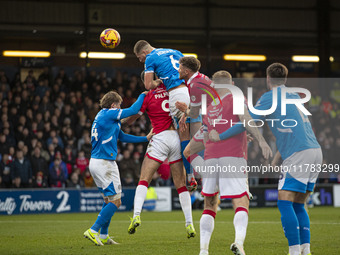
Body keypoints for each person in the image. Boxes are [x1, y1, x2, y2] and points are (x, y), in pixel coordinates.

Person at [212, 63, 322, 255]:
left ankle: (294, 251)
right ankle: (305, 249)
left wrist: (220, 136)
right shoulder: (295, 96)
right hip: (314, 150)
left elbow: (248, 121)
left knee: (284, 201)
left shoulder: (269, 97)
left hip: (299, 153)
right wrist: (276, 159)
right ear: (286, 79)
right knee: (299, 203)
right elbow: (297, 131)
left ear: (268, 79)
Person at [184, 71, 272, 255]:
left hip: (210, 156)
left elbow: (208, 129)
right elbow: (245, 118)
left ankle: (203, 250)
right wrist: (261, 140)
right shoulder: (235, 96)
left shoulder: (208, 103)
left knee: (209, 204)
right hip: (233, 156)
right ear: (231, 83)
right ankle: (239, 243)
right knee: (241, 200)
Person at [125, 73, 195, 238]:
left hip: (160, 137)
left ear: (145, 81)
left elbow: (131, 119)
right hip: (176, 137)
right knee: (180, 183)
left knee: (144, 178)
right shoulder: (172, 89)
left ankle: (136, 216)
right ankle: (189, 224)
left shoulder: (147, 96)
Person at [83, 90, 153, 246]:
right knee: (116, 201)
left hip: (99, 161)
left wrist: (145, 139)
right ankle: (93, 230)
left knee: (108, 199)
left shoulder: (105, 117)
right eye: (119, 105)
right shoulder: (108, 113)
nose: (120, 108)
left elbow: (122, 136)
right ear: (114, 105)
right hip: (104, 163)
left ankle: (104, 235)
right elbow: (133, 110)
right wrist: (143, 95)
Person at [133, 40, 194, 189]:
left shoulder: (150, 58)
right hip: (189, 92)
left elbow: (148, 85)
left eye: (140, 58)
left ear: (144, 53)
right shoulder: (175, 51)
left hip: (175, 95)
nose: (141, 61)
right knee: (195, 132)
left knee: (180, 137)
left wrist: (157, 82)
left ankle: (191, 176)